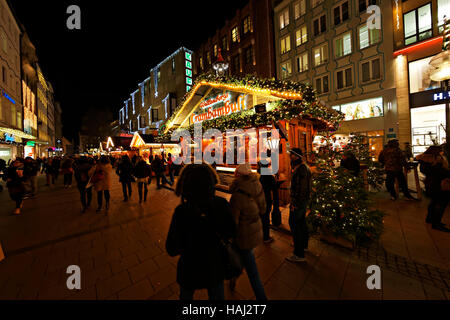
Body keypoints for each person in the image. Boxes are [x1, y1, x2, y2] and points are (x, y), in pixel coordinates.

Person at [166, 164, 236, 301]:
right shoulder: (221, 204)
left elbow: (171, 248)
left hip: (189, 270)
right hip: (215, 267)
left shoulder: (182, 211)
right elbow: (232, 232)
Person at [229, 163, 267, 300]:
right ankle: (232, 280)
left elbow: (233, 222)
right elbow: (263, 209)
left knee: (252, 273)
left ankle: (262, 298)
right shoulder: (258, 186)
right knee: (242, 260)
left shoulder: (237, 195)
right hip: (255, 231)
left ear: (238, 175)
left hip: (242, 236)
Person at [286, 148, 312, 263]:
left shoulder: (301, 169)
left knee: (294, 224)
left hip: (299, 202)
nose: (289, 157)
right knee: (301, 223)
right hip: (302, 201)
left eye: (291, 155)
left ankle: (298, 253)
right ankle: (303, 245)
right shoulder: (302, 167)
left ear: (296, 156)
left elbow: (302, 188)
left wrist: (295, 203)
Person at [417, 145, 450, 232]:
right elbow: (441, 172)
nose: (442, 152)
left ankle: (430, 219)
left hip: (430, 184)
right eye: (441, 150)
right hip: (439, 184)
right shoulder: (437, 160)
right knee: (441, 203)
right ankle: (436, 223)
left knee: (434, 202)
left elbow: (425, 171)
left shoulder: (424, 160)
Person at [257, 161, 277, 244]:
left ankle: (261, 235)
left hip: (258, 199)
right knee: (265, 218)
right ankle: (266, 237)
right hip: (267, 199)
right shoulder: (270, 176)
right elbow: (274, 188)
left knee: (261, 217)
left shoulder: (258, 176)